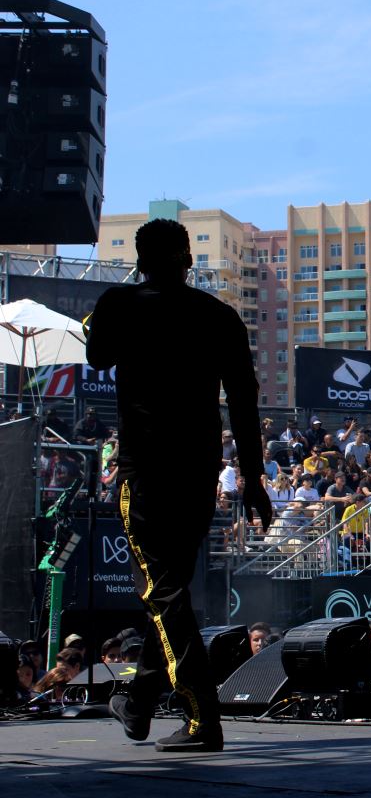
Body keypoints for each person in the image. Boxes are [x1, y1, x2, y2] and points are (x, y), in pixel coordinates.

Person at [88, 218, 272, 753]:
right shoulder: (219, 315)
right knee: (171, 593)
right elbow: (244, 399)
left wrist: (100, 319)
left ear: (140, 261)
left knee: (162, 591)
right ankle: (141, 702)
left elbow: (97, 356)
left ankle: (201, 718)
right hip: (198, 471)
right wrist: (253, 477)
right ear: (189, 260)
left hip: (146, 470)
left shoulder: (121, 303)